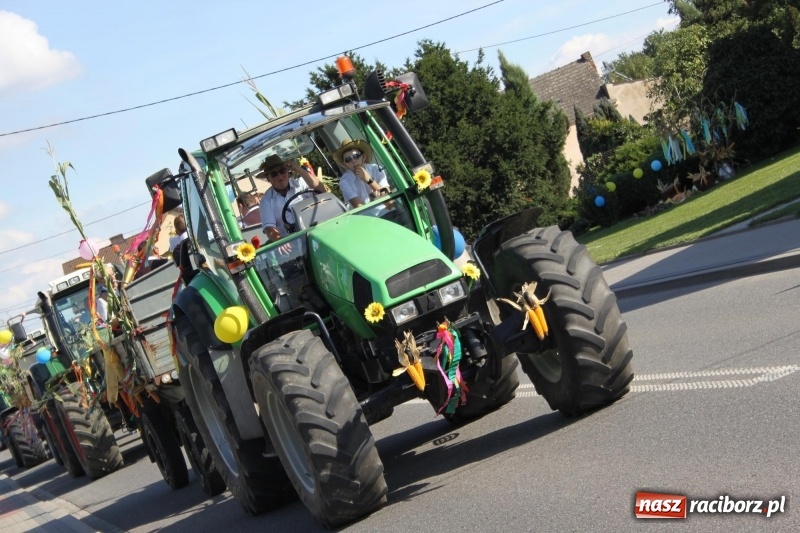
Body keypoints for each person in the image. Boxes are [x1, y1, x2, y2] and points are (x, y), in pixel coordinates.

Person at [259, 154, 326, 242]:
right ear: (268, 178)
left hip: (317, 230)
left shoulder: (302, 183)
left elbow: (322, 191)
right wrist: (281, 242)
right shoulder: (266, 201)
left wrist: (298, 169)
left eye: (282, 171)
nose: (279, 176)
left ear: (288, 171)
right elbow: (269, 228)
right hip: (292, 242)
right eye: (274, 174)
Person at [333, 138, 390, 208]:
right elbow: (359, 207)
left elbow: (389, 201)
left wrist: (369, 179)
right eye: (348, 160)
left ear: (363, 157)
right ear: (345, 165)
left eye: (356, 156)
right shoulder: (345, 181)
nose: (353, 161)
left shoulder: (376, 169)